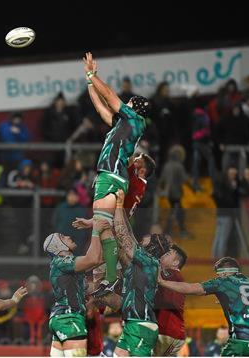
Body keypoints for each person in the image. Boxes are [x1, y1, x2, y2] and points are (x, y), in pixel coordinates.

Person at [82, 52, 151, 296]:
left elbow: (110, 97)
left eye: (128, 103)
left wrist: (93, 74)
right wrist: (90, 83)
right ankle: (111, 277)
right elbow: (102, 107)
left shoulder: (135, 119)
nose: (126, 105)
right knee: (104, 227)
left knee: (101, 229)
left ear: (134, 107)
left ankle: (109, 276)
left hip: (109, 175)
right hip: (116, 176)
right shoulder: (125, 124)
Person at [98, 189, 171, 357]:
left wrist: (118, 205)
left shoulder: (148, 261)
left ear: (152, 247)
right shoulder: (144, 262)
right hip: (134, 323)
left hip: (141, 325)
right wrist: (121, 211)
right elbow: (126, 235)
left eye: (146, 239)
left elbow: (124, 235)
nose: (141, 239)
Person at [159, 256, 249, 356]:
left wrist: (163, 282)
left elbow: (191, 288)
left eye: (219, 274)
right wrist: (226, 301)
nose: (218, 276)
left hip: (241, 342)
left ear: (224, 273)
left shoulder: (222, 281)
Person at [43, 218, 104, 357]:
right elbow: (93, 259)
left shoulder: (66, 267)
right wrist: (95, 229)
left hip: (61, 318)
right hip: (69, 318)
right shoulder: (62, 261)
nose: (68, 236)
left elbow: (99, 259)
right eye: (63, 237)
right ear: (58, 246)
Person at [154, 244, 188, 356]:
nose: (162, 255)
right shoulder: (176, 277)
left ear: (175, 263)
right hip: (175, 332)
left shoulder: (172, 274)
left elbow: (152, 272)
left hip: (166, 330)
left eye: (167, 254)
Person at [158, 145, 189, 238]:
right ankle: (179, 231)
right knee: (178, 212)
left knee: (174, 211)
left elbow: (162, 180)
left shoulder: (167, 165)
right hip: (176, 193)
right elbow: (184, 179)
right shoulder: (179, 166)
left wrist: (161, 189)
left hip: (168, 193)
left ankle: (168, 231)